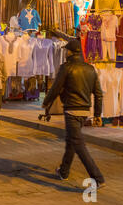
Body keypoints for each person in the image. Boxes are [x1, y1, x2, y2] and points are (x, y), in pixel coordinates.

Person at [42, 39, 106, 189]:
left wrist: (46, 102)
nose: (65, 53)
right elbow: (98, 94)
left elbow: (56, 88)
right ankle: (64, 171)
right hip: (84, 112)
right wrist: (97, 114)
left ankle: (98, 177)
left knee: (78, 144)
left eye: (66, 51)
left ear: (70, 52)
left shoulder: (67, 67)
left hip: (71, 110)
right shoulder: (90, 69)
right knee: (71, 140)